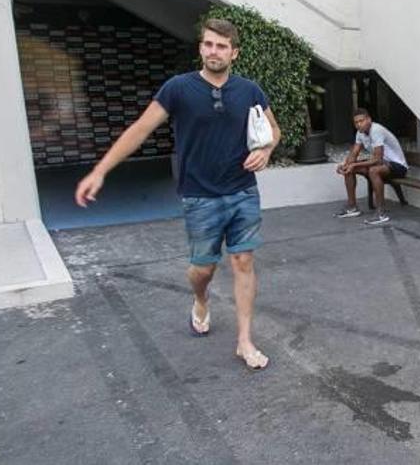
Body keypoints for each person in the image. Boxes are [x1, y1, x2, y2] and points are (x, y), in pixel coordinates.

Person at [74, 18, 280, 371]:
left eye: (221, 46)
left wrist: (267, 150)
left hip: (242, 189)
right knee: (203, 269)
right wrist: (100, 170)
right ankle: (200, 299)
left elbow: (273, 129)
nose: (214, 51)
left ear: (234, 52)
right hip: (199, 196)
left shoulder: (250, 90)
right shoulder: (178, 88)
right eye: (209, 44)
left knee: (243, 261)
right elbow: (140, 129)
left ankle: (244, 340)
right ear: (201, 47)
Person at [334, 108, 408, 224]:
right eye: (356, 122)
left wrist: (354, 164)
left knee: (373, 170)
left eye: (361, 121)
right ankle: (352, 207)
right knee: (349, 169)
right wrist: (345, 164)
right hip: (382, 164)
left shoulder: (376, 130)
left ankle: (381, 213)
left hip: (398, 167)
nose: (359, 124)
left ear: (369, 119)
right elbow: (354, 153)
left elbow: (377, 159)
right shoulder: (360, 133)